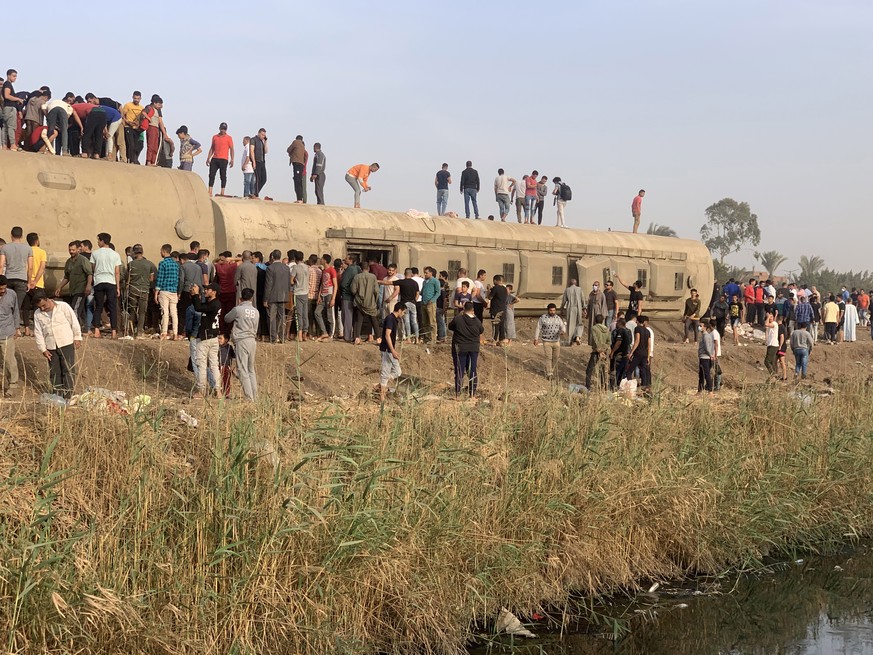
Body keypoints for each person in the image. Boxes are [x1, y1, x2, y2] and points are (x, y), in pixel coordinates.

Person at [33, 291, 82, 399]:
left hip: (66, 342)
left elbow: (74, 321)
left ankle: (68, 394)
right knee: (54, 372)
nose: (42, 309)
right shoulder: (37, 314)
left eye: (43, 305)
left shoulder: (63, 306)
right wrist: (43, 349)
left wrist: (77, 337)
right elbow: (38, 332)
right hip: (50, 346)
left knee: (68, 370)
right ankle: (57, 395)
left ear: (48, 299)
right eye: (39, 307)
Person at [224, 287, 259, 401]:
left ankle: (249, 397)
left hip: (241, 340)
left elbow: (227, 318)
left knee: (242, 369)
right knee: (251, 369)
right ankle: (255, 396)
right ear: (252, 298)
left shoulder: (238, 309)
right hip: (252, 340)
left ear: (241, 298)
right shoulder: (256, 311)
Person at [190, 283, 222, 398]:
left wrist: (196, 294)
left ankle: (201, 390)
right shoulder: (215, 304)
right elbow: (199, 305)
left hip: (206, 338)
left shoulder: (214, 304)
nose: (205, 291)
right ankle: (218, 391)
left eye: (208, 289)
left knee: (202, 365)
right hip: (213, 338)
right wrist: (194, 295)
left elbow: (198, 308)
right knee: (214, 365)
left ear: (214, 292)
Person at [90, 232, 123, 339]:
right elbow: (117, 272)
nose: (97, 242)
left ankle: (96, 330)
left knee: (98, 306)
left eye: (98, 240)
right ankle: (114, 332)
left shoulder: (95, 253)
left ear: (102, 241)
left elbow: (93, 268)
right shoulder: (115, 254)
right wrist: (118, 287)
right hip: (111, 282)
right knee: (112, 307)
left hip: (99, 281)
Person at [0, 227, 32, 333]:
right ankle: (17, 329)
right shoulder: (28, 248)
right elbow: (30, 267)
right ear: (22, 236)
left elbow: (1, 265)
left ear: (11, 235)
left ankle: (7, 326)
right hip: (22, 279)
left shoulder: (4, 247)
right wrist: (29, 281)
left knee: (6, 303)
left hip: (8, 278)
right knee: (17, 305)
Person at [53, 241, 92, 328]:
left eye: (73, 250)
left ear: (78, 249)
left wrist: (88, 286)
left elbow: (89, 274)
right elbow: (67, 277)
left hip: (80, 289)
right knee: (80, 311)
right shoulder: (68, 262)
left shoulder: (83, 260)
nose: (71, 251)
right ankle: (86, 328)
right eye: (70, 250)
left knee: (75, 309)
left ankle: (74, 329)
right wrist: (60, 287)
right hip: (72, 290)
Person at [449, 301, 483, 397]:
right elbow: (481, 330)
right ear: (472, 310)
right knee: (472, 370)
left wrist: (459, 315)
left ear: (463, 309)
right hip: (473, 348)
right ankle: (472, 393)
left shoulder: (458, 319)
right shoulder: (477, 321)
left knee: (459, 371)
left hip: (460, 348)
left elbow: (450, 326)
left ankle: (458, 393)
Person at [380, 268, 419, 344]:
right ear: (411, 274)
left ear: (404, 274)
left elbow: (388, 283)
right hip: (413, 304)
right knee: (414, 321)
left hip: (405, 303)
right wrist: (414, 301)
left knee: (406, 321)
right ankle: (417, 339)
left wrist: (378, 281)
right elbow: (417, 293)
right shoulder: (415, 283)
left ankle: (409, 339)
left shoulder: (402, 282)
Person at [125, 245, 155, 338]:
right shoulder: (150, 264)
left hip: (133, 289)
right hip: (144, 290)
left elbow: (128, 278)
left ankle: (130, 331)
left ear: (134, 252)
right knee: (142, 312)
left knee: (132, 310)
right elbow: (151, 278)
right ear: (142, 252)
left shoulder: (131, 264)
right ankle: (139, 332)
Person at [378, 303, 405, 402]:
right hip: (387, 349)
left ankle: (380, 387)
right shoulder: (390, 318)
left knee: (397, 372)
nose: (403, 314)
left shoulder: (394, 319)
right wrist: (392, 350)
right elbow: (387, 335)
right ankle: (382, 397)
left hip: (390, 350)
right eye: (403, 312)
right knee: (386, 372)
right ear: (399, 310)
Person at [533, 303, 567, 380]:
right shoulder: (543, 318)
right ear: (548, 310)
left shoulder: (558, 318)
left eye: (554, 310)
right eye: (551, 310)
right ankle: (549, 373)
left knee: (556, 357)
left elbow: (563, 326)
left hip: (556, 341)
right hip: (547, 341)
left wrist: (563, 331)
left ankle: (553, 372)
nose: (552, 312)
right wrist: (536, 338)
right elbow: (538, 328)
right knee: (548, 357)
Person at [264, 250, 291, 343]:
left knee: (272, 318)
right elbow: (288, 283)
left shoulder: (270, 268)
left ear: (272, 257)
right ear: (280, 256)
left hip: (272, 296)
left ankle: (273, 338)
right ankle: (282, 338)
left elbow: (268, 285)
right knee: (282, 317)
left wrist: (265, 299)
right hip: (283, 296)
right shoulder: (286, 268)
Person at [155, 243, 181, 340]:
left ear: (163, 251)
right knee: (174, 313)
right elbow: (178, 279)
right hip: (173, 291)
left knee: (165, 312)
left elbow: (160, 278)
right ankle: (175, 333)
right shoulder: (176, 264)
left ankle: (164, 333)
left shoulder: (162, 263)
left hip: (164, 290)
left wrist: (156, 292)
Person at [350, 261, 379, 344]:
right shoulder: (373, 277)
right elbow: (377, 291)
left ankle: (357, 338)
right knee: (374, 320)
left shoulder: (356, 277)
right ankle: (378, 338)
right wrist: (375, 301)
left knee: (358, 320)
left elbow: (353, 290)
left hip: (359, 302)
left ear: (360, 268)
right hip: (371, 302)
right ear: (368, 268)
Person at [0, 276, 20, 395]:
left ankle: (13, 385)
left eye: (4, 288)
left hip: (7, 332)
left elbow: (16, 311)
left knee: (9, 360)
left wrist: (17, 328)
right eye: (0, 289)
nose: (2, 291)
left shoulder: (12, 294)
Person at [205, 122, 234, 197]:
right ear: (219, 128)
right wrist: (208, 158)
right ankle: (210, 191)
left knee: (223, 175)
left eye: (224, 129)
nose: (223, 131)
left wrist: (232, 159)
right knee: (211, 174)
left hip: (224, 159)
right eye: (222, 129)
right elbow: (212, 148)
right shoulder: (215, 137)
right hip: (215, 158)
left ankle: (222, 192)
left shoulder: (229, 138)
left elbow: (232, 149)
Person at [624, 315, 652, 389]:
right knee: (643, 371)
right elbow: (649, 345)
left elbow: (637, 341)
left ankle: (629, 387)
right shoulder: (647, 331)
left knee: (629, 370)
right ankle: (644, 387)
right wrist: (648, 357)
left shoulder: (637, 329)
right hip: (645, 354)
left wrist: (631, 353)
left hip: (638, 353)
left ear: (637, 322)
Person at [315, 255, 338, 340]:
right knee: (317, 312)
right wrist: (319, 295)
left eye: (321, 259)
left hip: (329, 294)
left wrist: (333, 298)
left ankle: (331, 334)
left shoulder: (332, 270)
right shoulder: (324, 271)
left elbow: (335, 285)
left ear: (325, 260)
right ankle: (324, 332)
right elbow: (322, 284)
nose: (320, 260)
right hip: (323, 295)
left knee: (330, 316)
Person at [586, 314, 610, 391]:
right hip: (604, 352)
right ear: (603, 320)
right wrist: (604, 349)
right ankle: (603, 387)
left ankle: (588, 386)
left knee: (590, 369)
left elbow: (595, 340)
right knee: (602, 370)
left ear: (595, 320)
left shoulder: (594, 328)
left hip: (596, 351)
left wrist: (599, 350)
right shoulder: (606, 329)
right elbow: (609, 342)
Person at [1, 70, 24, 150]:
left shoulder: (7, 84)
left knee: (5, 127)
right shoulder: (7, 84)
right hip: (10, 107)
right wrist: (18, 99)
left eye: (16, 76)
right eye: (13, 76)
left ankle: (4, 145)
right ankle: (12, 144)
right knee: (11, 126)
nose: (15, 78)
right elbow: (7, 96)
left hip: (6, 108)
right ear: (8, 76)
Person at [610, 317, 632, 389]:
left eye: (617, 323)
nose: (616, 324)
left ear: (620, 323)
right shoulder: (628, 331)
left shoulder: (619, 331)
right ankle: (621, 387)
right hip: (626, 354)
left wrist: (612, 352)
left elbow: (618, 342)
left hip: (619, 354)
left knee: (616, 371)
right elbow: (630, 342)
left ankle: (614, 387)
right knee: (623, 371)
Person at [560, 279, 585, 346]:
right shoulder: (579, 289)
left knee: (570, 324)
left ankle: (570, 340)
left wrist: (561, 309)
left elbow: (564, 301)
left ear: (569, 283)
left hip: (570, 308)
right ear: (576, 283)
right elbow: (582, 299)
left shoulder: (567, 290)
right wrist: (584, 308)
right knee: (579, 323)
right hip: (578, 308)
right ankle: (577, 336)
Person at [122, 91, 144, 164]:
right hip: (128, 127)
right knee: (130, 144)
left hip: (137, 128)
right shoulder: (128, 105)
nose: (136, 100)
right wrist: (127, 122)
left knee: (136, 145)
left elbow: (142, 119)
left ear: (140, 98)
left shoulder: (141, 108)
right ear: (132, 97)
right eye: (135, 98)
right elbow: (122, 115)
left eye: (138, 98)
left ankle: (134, 159)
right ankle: (130, 160)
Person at [420, 267, 441, 343]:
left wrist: (432, 300)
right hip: (424, 303)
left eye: (426, 273)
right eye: (424, 273)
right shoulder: (425, 281)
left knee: (432, 322)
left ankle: (433, 338)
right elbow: (422, 291)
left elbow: (438, 292)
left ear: (431, 273)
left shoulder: (435, 281)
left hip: (431, 304)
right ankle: (427, 337)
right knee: (425, 322)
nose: (425, 274)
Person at [488, 274, 508, 343]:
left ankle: (494, 339)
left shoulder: (495, 288)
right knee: (501, 325)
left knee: (495, 325)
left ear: (495, 280)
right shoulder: (505, 289)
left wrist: (489, 290)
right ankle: (501, 340)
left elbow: (490, 297)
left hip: (495, 310)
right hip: (503, 309)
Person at [587, 281, 608, 346]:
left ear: (598, 286)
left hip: (599, 313)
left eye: (596, 285)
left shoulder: (602, 294)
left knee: (599, 327)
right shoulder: (591, 294)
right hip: (592, 313)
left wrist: (603, 315)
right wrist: (587, 313)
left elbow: (604, 305)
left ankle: (600, 341)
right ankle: (591, 341)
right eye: (593, 285)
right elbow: (589, 304)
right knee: (592, 326)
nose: (594, 286)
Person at [697, 320, 715, 395]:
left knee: (706, 374)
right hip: (702, 357)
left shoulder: (706, 336)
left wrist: (710, 355)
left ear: (705, 327)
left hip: (705, 357)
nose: (699, 327)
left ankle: (710, 391)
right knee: (701, 374)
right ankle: (699, 391)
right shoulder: (704, 336)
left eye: (701, 326)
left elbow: (708, 347)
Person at [287, 135, 306, 202]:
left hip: (297, 164)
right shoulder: (303, 145)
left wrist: (291, 153)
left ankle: (299, 199)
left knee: (297, 181)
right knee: (299, 180)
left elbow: (288, 149)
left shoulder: (296, 142)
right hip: (301, 165)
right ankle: (300, 198)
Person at [250, 128, 268, 197]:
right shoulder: (253, 140)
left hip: (262, 162)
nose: (263, 136)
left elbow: (266, 151)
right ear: (259, 133)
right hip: (256, 161)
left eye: (264, 135)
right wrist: (253, 161)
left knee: (264, 179)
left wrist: (265, 142)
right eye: (262, 134)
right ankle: (255, 194)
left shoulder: (262, 142)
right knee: (258, 178)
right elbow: (252, 151)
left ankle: (255, 192)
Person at [764, 310, 779, 375]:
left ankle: (773, 374)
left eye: (771, 317)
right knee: (772, 362)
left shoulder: (774, 324)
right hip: (770, 344)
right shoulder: (771, 324)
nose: (770, 318)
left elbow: (766, 324)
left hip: (773, 344)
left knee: (767, 361)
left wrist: (768, 317)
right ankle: (775, 375)